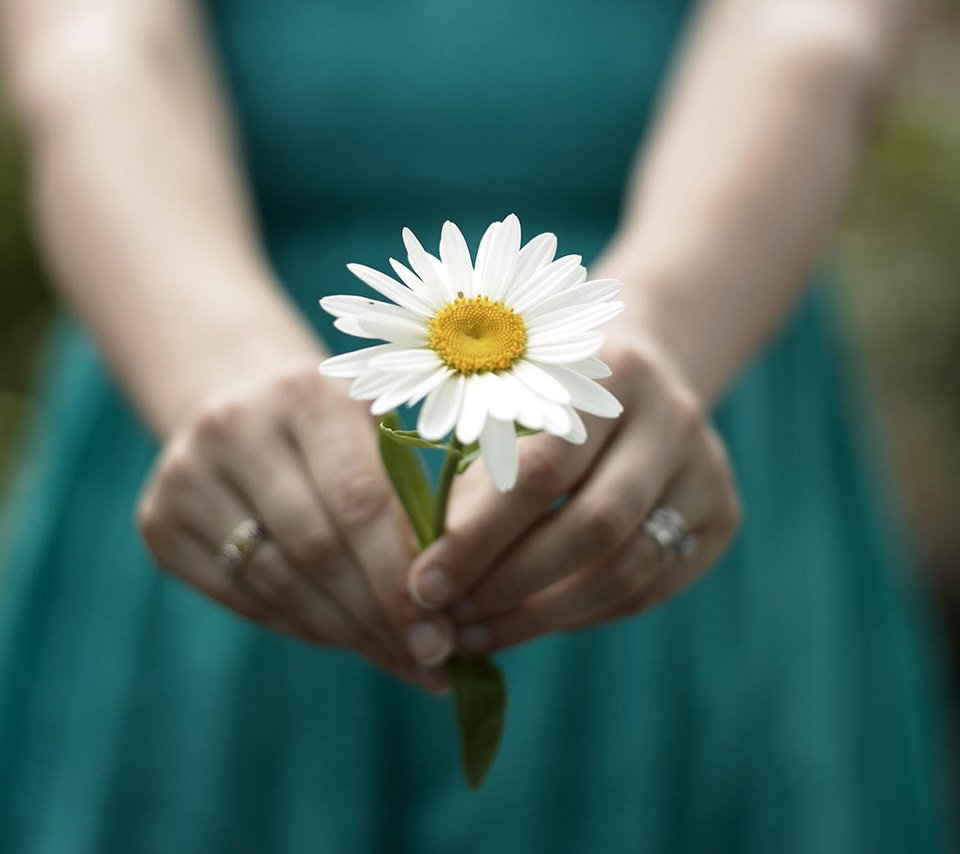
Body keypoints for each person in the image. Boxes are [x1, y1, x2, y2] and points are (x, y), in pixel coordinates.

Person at [0, 0, 950, 851]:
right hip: (197, 356)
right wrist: (214, 363)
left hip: (683, 352)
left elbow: (811, 34)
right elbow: (93, 48)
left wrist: (656, 327)